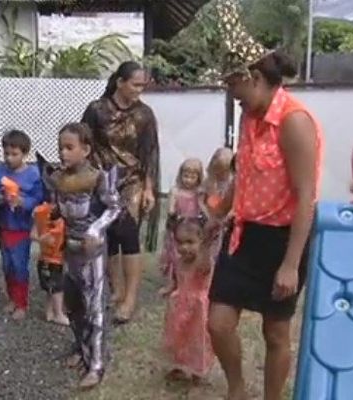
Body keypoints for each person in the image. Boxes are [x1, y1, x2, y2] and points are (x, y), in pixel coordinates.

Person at [207, 2, 324, 399]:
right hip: (244, 234)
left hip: (283, 239)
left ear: (255, 78)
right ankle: (237, 389)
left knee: (275, 331)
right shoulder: (250, 117)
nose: (234, 99)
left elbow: (307, 193)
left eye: (235, 91)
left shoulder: (293, 120)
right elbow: (246, 174)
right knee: (219, 322)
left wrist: (291, 264)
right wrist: (219, 210)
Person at [39, 122, 120, 389]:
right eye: (61, 147)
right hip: (69, 249)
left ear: (85, 149)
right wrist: (46, 222)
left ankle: (96, 364)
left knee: (94, 306)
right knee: (73, 305)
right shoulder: (59, 179)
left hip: (92, 251)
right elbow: (59, 211)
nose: (63, 153)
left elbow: (114, 208)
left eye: (69, 148)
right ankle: (80, 347)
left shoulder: (97, 177)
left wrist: (96, 230)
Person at [82, 61, 160, 324]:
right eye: (136, 84)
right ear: (120, 82)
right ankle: (115, 290)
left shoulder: (145, 115)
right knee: (107, 236)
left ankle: (130, 299)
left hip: (132, 182)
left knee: (128, 235)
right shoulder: (96, 110)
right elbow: (84, 143)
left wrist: (149, 189)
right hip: (101, 180)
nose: (140, 90)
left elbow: (150, 153)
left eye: (142, 85)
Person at [0, 130, 43, 320]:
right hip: (4, 226)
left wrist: (23, 202)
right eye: (6, 154)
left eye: (14, 154)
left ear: (25, 153)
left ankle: (21, 303)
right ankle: (11, 298)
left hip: (22, 228)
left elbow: (39, 200)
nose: (9, 158)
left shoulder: (33, 175)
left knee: (20, 266)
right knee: (7, 265)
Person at [163, 216, 216, 385]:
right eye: (180, 243)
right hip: (179, 306)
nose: (184, 247)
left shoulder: (202, 262)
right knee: (179, 337)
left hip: (198, 309)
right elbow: (176, 280)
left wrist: (207, 246)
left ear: (200, 241)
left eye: (190, 242)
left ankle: (197, 370)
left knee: (197, 339)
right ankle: (179, 366)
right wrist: (169, 288)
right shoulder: (178, 262)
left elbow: (205, 268)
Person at [159, 158, 204, 296]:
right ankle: (173, 283)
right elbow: (171, 208)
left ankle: (187, 284)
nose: (188, 180)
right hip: (178, 228)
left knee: (191, 256)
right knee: (175, 256)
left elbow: (203, 208)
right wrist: (172, 214)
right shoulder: (175, 191)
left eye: (192, 177)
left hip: (193, 229)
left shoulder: (199, 192)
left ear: (198, 177)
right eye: (186, 176)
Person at [31, 201, 69, 326]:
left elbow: (33, 235)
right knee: (57, 287)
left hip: (47, 260)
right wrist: (44, 238)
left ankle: (49, 312)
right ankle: (58, 313)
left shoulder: (43, 221)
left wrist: (41, 238)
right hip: (52, 261)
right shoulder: (57, 227)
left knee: (50, 288)